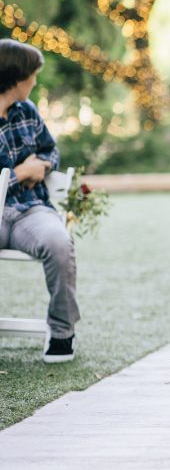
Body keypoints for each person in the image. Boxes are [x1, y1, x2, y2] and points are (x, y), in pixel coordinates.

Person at [0, 39, 79, 363]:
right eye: (32, 75)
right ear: (16, 78)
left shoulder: (28, 111)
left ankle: (62, 333)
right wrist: (19, 172)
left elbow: (51, 151)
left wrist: (42, 165)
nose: (35, 80)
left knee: (59, 243)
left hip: (29, 210)